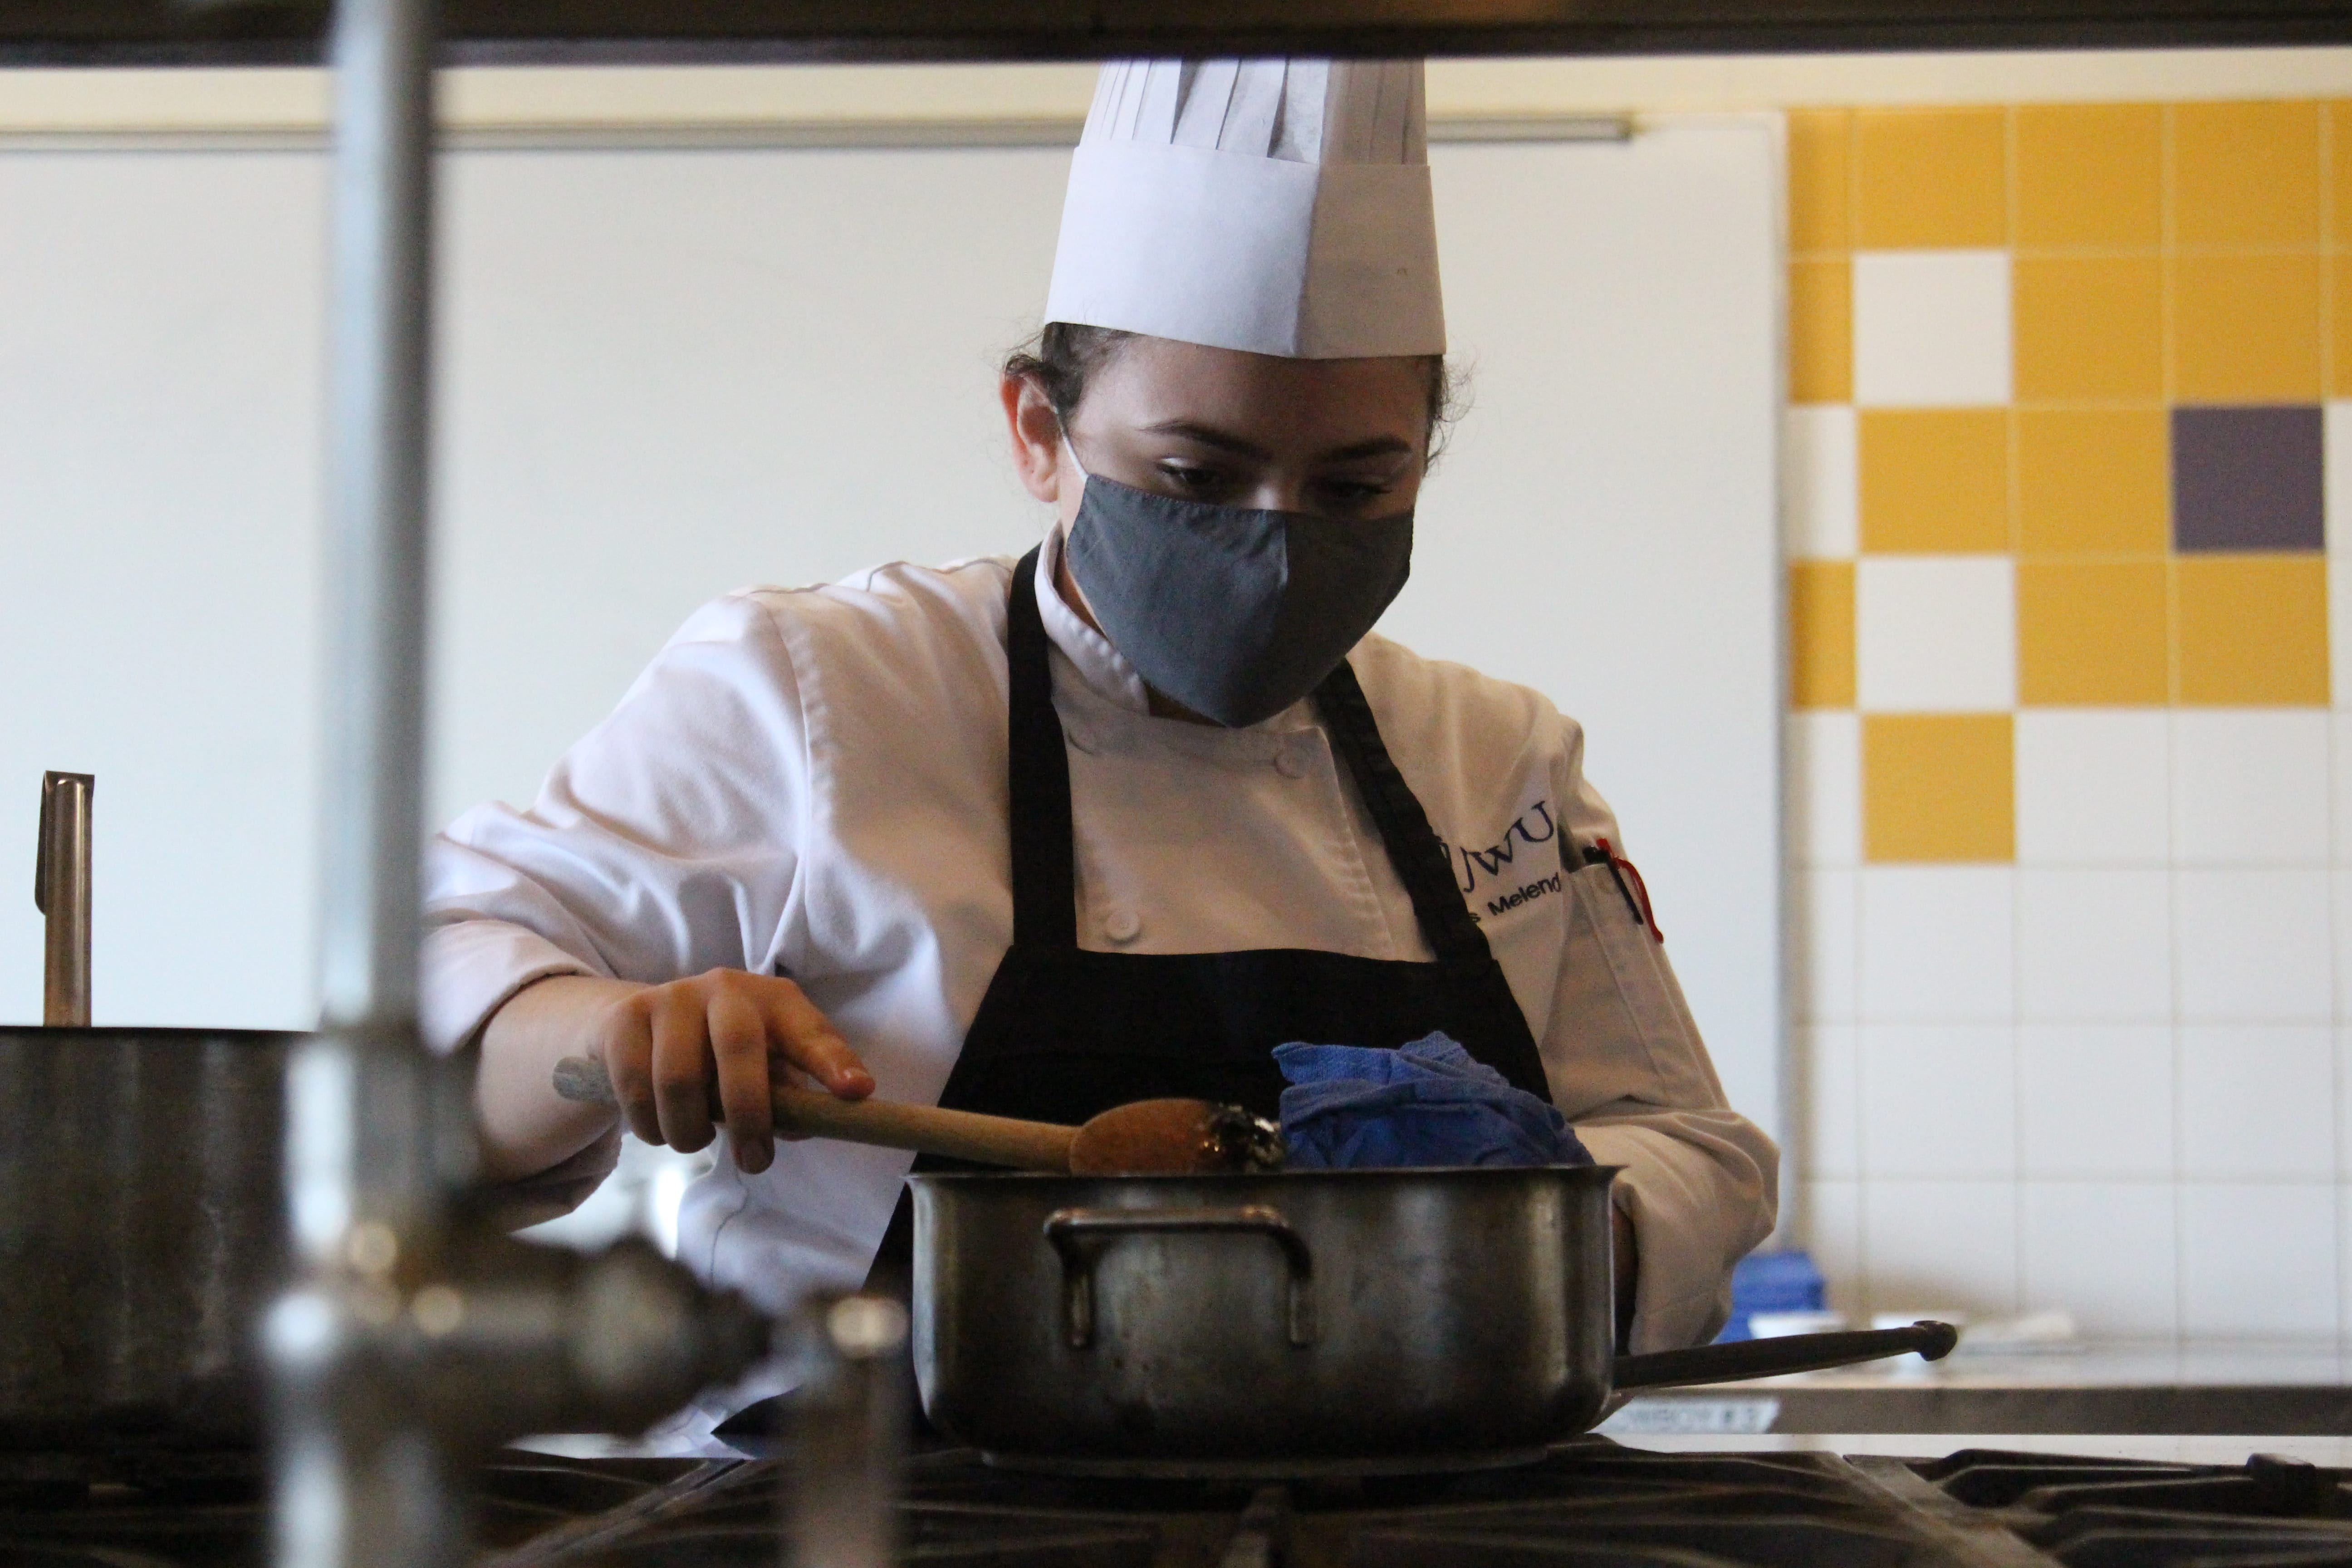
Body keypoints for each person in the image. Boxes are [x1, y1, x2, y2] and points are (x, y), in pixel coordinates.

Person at [421, 57, 1776, 1433]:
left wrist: (1507, 1229)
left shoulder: (1492, 755)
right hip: (882, 1518)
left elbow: (1693, 1156)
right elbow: (425, 1013)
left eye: (1356, 485)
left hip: (1406, 1517)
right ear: (1038, 431)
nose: (1275, 540)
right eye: (1195, 476)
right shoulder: (824, 688)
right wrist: (611, 1031)